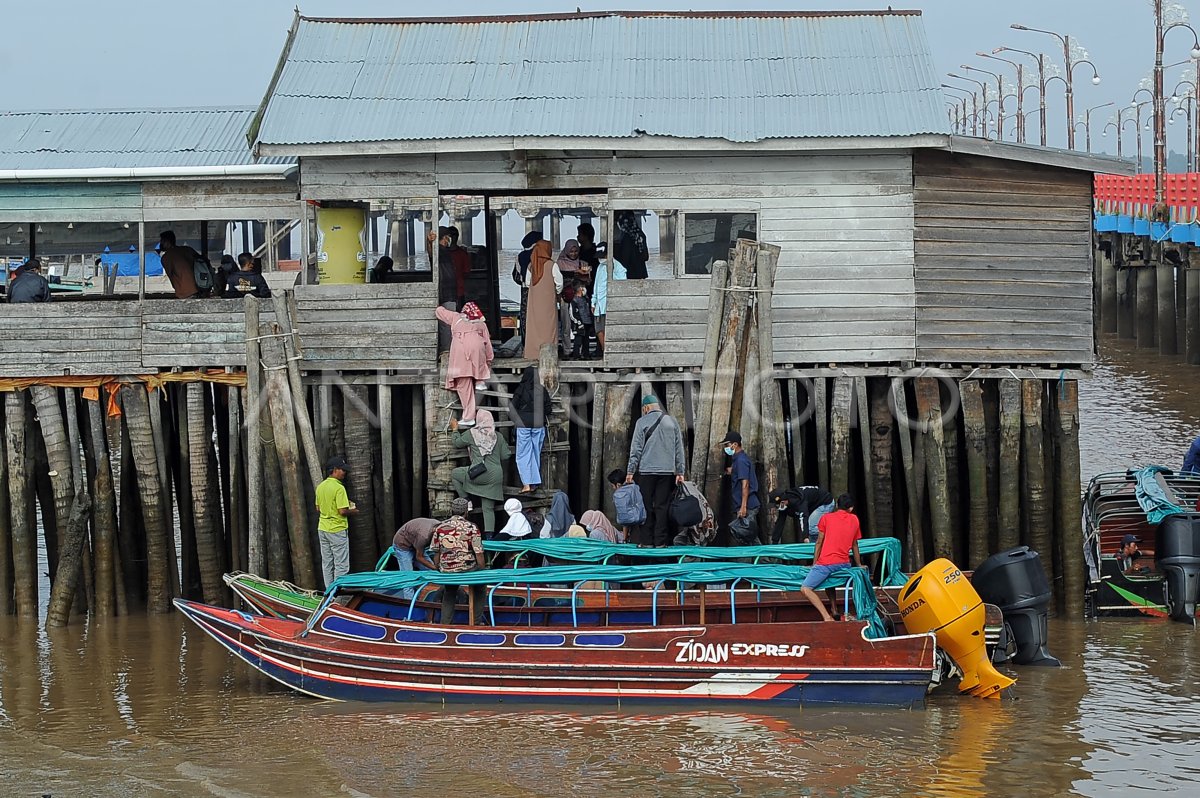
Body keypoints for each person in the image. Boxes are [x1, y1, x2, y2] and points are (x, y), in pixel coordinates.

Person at [625, 394, 686, 547]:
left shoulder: (641, 422)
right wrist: (680, 471)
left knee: (646, 506)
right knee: (662, 506)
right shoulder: (672, 422)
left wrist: (630, 471)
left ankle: (646, 541)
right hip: (666, 472)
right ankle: (661, 542)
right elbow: (679, 449)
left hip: (646, 472)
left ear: (646, 408)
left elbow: (636, 449)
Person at [800, 494, 865, 622]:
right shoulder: (855, 519)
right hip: (844, 564)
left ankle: (826, 617)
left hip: (826, 563)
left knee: (805, 588)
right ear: (850, 508)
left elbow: (819, 542)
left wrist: (815, 564)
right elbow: (855, 545)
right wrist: (859, 564)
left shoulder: (826, 518)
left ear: (836, 505)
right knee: (830, 579)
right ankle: (834, 609)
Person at [449, 409, 510, 537]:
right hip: (496, 476)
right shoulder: (498, 436)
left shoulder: (472, 433)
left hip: (479, 473)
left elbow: (457, 443)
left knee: (455, 473)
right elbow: (505, 455)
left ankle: (466, 500)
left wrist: (455, 430)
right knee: (488, 509)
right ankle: (489, 538)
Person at [436, 301, 493, 426]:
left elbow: (440, 312)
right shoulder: (481, 323)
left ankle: (468, 417)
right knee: (479, 361)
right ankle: (480, 381)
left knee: (463, 386)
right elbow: (487, 344)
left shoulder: (456, 317)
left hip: (460, 353)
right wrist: (488, 361)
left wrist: (436, 304)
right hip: (478, 350)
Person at [430, 497, 486, 625]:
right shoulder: (471, 527)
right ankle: (476, 621)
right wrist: (482, 571)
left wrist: (439, 567)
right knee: (480, 587)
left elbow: (436, 552)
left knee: (449, 591)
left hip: (447, 569)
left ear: (452, 511)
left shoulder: (440, 527)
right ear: (466, 512)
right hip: (467, 568)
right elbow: (479, 553)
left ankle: (445, 623)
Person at [315, 456, 359, 588]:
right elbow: (342, 511)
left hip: (322, 529)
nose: (344, 473)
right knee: (341, 564)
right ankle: (338, 595)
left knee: (327, 563)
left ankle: (329, 592)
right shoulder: (339, 488)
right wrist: (354, 511)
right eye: (342, 470)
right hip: (337, 529)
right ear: (334, 470)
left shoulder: (320, 487)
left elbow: (318, 508)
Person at [510, 365, 551, 492]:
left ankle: (527, 484)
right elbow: (548, 409)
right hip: (539, 425)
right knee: (535, 454)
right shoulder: (542, 390)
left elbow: (512, 408)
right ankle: (534, 484)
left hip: (524, 425)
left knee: (523, 455)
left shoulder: (521, 389)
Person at [523, 236, 562, 360]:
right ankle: (549, 353)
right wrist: (555, 292)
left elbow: (527, 283)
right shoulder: (552, 265)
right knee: (549, 326)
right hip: (548, 301)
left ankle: (533, 353)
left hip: (534, 301)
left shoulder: (531, 266)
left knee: (534, 325)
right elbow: (559, 283)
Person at [722, 432, 761, 545]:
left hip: (748, 505)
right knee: (749, 537)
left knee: (748, 538)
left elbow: (745, 484)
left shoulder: (741, 461)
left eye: (727, 445)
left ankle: (765, 560)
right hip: (745, 504)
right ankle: (763, 560)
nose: (726, 448)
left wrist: (743, 507)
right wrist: (733, 471)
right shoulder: (739, 459)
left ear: (735, 444)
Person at [578, 222, 607, 355]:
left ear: (586, 236)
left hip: (594, 288)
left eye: (580, 234)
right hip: (584, 289)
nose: (578, 237)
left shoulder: (594, 253)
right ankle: (586, 349)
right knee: (585, 321)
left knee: (596, 321)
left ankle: (600, 349)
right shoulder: (579, 251)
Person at [769, 485, 835, 544]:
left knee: (811, 528)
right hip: (813, 506)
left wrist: (805, 537)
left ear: (783, 502)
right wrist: (774, 542)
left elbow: (803, 516)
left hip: (825, 503)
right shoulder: (785, 505)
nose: (776, 508)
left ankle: (835, 530)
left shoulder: (799, 500)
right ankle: (814, 550)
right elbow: (780, 522)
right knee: (811, 531)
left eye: (777, 505)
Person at [391, 517, 439, 599]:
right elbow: (419, 557)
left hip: (415, 544)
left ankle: (429, 592)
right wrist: (435, 567)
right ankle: (409, 602)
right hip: (403, 546)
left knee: (432, 573)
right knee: (409, 577)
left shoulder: (440, 526)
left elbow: (438, 550)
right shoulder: (424, 536)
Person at [158, 230, 204, 299]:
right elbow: (202, 260)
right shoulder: (187, 250)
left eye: (162, 241)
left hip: (185, 292)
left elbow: (171, 276)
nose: (161, 243)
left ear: (167, 242)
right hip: (201, 288)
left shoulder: (166, 257)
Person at [614, 211, 649, 280]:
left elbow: (624, 260)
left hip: (630, 275)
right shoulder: (641, 234)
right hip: (641, 274)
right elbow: (646, 257)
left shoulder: (626, 237)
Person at [569, 281, 596, 359]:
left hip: (587, 322)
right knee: (578, 341)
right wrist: (578, 322)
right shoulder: (574, 301)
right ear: (580, 289)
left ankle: (586, 355)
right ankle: (576, 355)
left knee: (586, 340)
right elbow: (572, 314)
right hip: (579, 324)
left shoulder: (586, 299)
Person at [447, 226, 472, 309]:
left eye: (454, 235)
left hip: (459, 291)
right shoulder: (442, 254)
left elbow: (467, 272)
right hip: (445, 292)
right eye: (450, 235)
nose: (453, 237)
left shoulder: (462, 254)